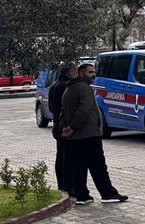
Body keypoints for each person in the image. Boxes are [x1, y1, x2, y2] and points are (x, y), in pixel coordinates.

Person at [61, 62, 128, 205]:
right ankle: (108, 194)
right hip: (88, 135)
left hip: (74, 137)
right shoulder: (84, 88)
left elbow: (62, 112)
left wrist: (66, 128)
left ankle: (82, 196)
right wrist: (72, 127)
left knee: (78, 167)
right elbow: (83, 111)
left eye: (94, 72)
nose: (94, 75)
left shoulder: (68, 89)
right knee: (98, 166)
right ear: (81, 73)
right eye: (90, 72)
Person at [48, 62, 77, 194]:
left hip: (56, 124)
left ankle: (62, 184)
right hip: (65, 125)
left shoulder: (53, 86)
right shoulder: (67, 87)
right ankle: (69, 185)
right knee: (68, 157)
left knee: (60, 156)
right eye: (75, 70)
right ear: (70, 71)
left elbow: (50, 107)